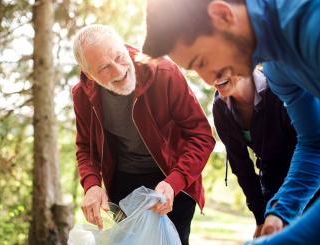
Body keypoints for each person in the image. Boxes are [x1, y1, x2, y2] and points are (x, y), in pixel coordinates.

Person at [142, 0, 320, 236]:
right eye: (195, 70)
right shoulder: (276, 71)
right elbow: (315, 145)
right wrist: (281, 212)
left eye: (202, 62)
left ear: (222, 14)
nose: (208, 80)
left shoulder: (310, 24)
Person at [71, 24, 215, 245]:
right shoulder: (82, 95)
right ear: (89, 74)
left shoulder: (164, 73)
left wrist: (174, 182)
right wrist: (91, 185)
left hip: (173, 180)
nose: (119, 72)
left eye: (119, 57)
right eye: (104, 68)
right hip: (123, 186)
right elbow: (85, 148)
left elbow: (201, 136)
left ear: (124, 47)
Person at [212, 68, 320, 238]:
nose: (212, 76)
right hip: (272, 184)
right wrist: (261, 217)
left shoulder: (281, 85)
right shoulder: (220, 107)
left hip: (309, 180)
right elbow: (241, 167)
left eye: (218, 64)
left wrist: (283, 210)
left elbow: (312, 149)